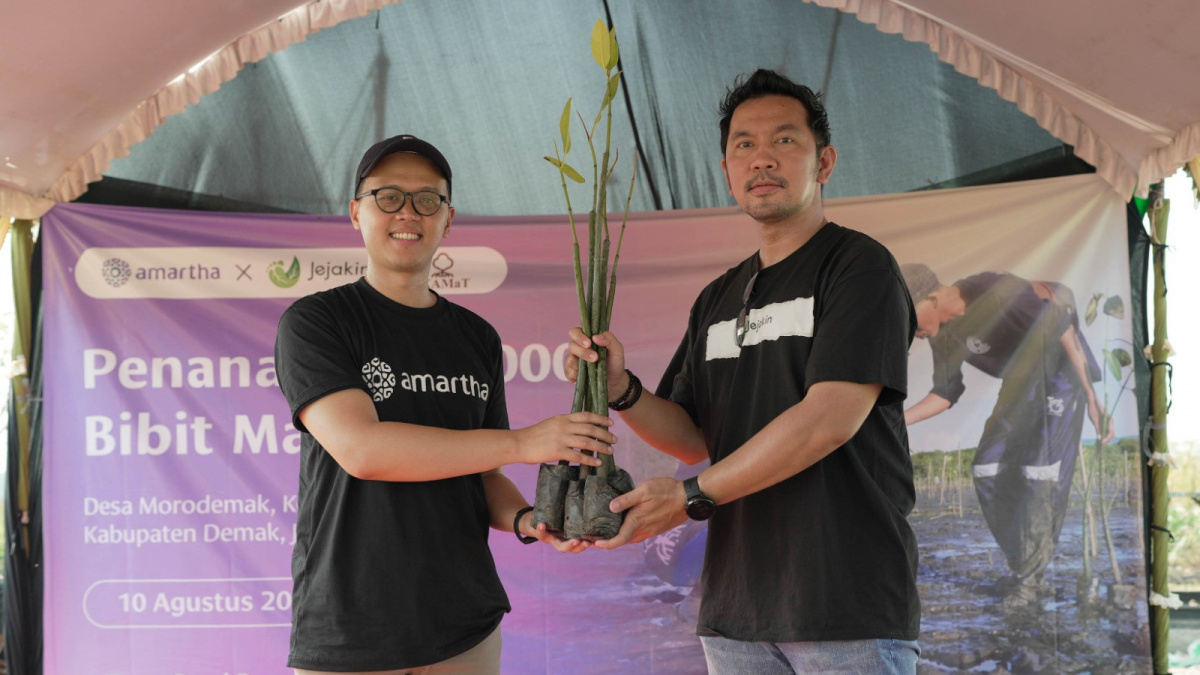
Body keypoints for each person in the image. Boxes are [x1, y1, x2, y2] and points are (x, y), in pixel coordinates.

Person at [568, 70, 921, 674]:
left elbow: (827, 420)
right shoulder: (717, 297)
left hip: (845, 608)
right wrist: (624, 388)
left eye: (785, 141)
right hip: (734, 611)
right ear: (728, 170)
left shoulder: (859, 267)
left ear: (825, 161)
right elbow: (693, 434)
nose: (762, 159)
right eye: (743, 145)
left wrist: (689, 497)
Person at [274, 134, 617, 674]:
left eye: (426, 199)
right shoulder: (318, 322)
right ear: (355, 212)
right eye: (388, 196)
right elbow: (362, 450)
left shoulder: (476, 338)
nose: (407, 212)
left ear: (448, 219)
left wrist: (529, 519)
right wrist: (527, 441)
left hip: (464, 626)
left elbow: (484, 477)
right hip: (351, 625)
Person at [900, 263, 1113, 607]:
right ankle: (1024, 564)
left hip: (1060, 372)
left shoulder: (992, 290)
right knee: (986, 467)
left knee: (1038, 474)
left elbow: (1061, 326)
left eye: (908, 320)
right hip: (1020, 381)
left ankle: (1031, 581)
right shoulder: (944, 335)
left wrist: (1091, 396)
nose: (909, 333)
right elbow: (945, 392)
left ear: (931, 298)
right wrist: (894, 420)